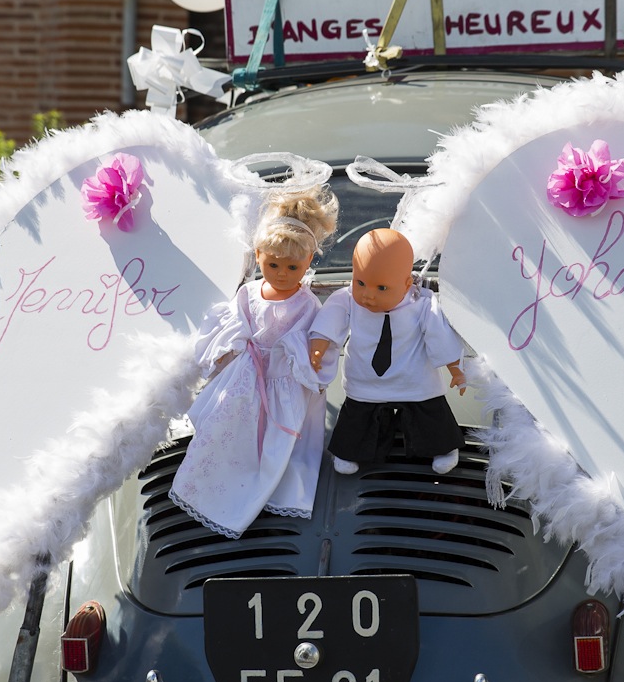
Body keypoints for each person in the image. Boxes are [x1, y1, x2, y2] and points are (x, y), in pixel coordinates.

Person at [169, 185, 339, 538]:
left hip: (284, 383)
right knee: (228, 432)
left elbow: (314, 343)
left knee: (281, 443)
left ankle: (271, 489)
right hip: (244, 379)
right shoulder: (248, 293)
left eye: (292, 266)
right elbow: (233, 326)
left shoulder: (307, 304)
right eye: (273, 264)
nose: (281, 273)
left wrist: (304, 356)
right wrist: (230, 349)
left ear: (309, 261)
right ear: (258, 255)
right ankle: (220, 485)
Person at [309, 227, 466, 475]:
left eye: (381, 288)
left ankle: (443, 447)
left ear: (406, 284)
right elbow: (330, 320)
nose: (368, 295)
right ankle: (351, 450)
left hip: (414, 377)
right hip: (365, 378)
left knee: (430, 412)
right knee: (358, 415)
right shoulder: (348, 299)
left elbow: (440, 336)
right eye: (360, 282)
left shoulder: (422, 303)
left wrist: (455, 368)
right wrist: (319, 346)